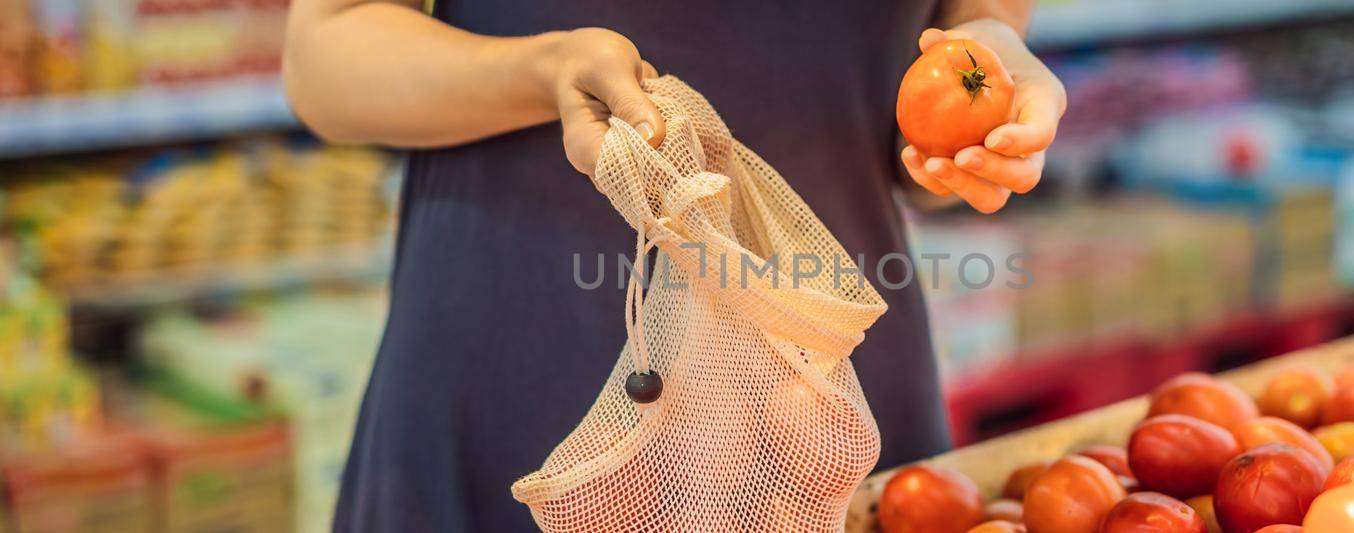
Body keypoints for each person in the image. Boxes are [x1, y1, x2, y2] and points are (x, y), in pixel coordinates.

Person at [282, 0, 1066, 530]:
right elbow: (326, 52)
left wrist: (984, 89)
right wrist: (542, 71)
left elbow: (967, 30)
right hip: (515, 338)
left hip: (822, 371)